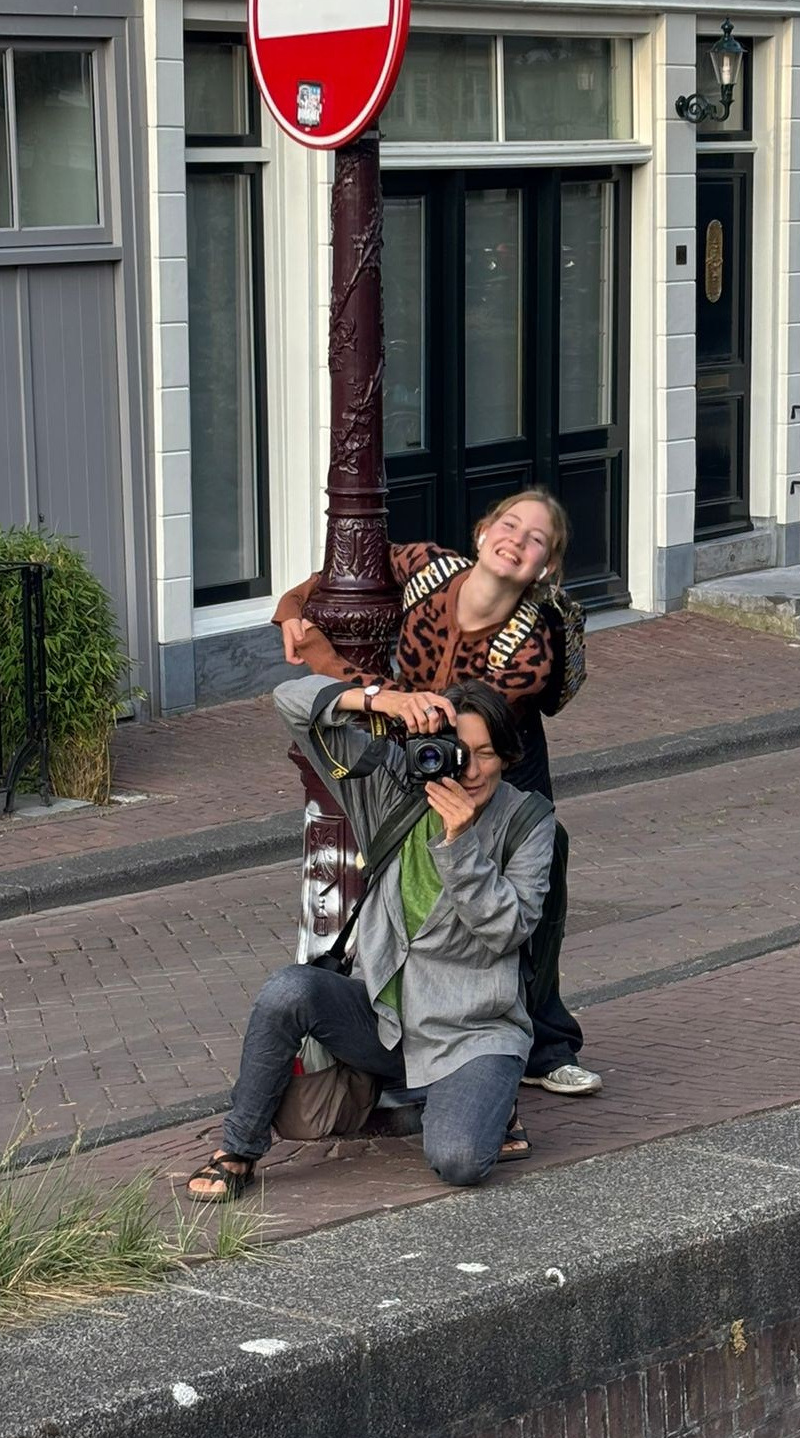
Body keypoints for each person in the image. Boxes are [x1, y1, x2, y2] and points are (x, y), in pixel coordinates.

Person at [274, 489, 601, 1099]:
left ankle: (543, 1043)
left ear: (545, 568)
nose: (517, 540)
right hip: (417, 742)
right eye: (509, 524)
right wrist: (294, 610)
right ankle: (419, 1026)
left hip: (497, 759)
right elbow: (339, 573)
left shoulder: (528, 650)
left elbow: (455, 722)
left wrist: (333, 668)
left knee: (520, 899)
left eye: (536, 539)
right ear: (481, 533)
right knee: (419, 888)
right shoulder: (429, 569)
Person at [186, 674, 557, 1200]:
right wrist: (382, 700)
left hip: (472, 1033)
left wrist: (459, 845)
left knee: (458, 1161)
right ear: (430, 745)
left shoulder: (526, 820)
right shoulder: (390, 789)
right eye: (456, 751)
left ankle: (487, 1094)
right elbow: (289, 704)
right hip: (385, 1022)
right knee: (288, 990)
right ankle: (239, 1150)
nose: (469, 771)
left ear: (507, 757)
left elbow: (508, 931)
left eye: (487, 755)